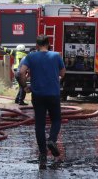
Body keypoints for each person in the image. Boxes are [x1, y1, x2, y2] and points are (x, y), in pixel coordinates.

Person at [17, 35, 66, 167]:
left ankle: (43, 155)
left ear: (37, 45)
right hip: (53, 94)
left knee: (40, 124)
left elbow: (20, 73)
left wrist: (25, 87)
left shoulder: (31, 57)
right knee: (56, 119)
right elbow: (62, 73)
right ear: (48, 44)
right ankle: (52, 140)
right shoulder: (56, 56)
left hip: (37, 95)